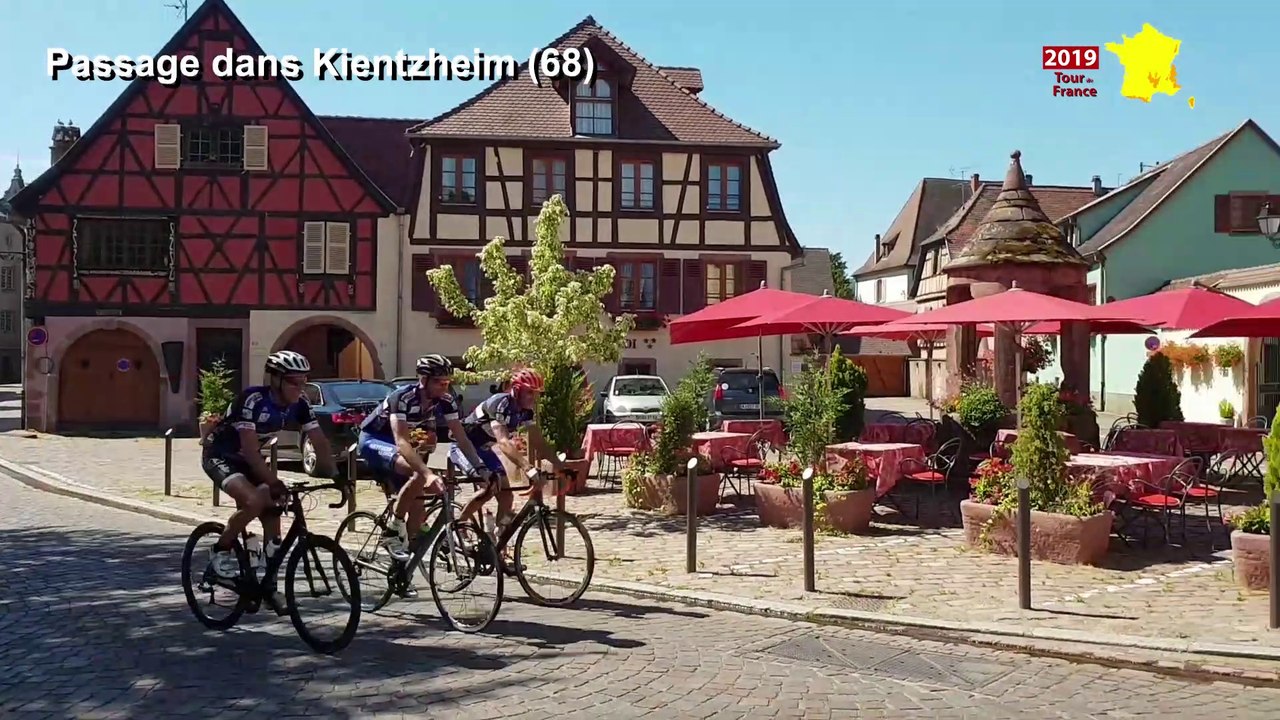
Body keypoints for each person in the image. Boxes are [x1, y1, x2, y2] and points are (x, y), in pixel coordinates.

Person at [202, 350, 336, 580]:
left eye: (303, 381)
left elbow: (320, 441)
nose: (300, 387)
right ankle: (219, 551)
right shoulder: (252, 400)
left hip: (250, 460)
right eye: (294, 381)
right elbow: (251, 452)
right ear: (275, 380)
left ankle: (268, 581)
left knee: (273, 512)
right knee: (254, 500)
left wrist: (337, 475)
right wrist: (273, 481)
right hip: (221, 456)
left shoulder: (301, 404)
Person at [357, 355, 488, 574]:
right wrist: (427, 474)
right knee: (419, 474)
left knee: (418, 513)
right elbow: (401, 441)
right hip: (375, 440)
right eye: (439, 382)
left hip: (402, 446)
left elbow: (461, 438)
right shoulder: (403, 397)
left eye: (447, 383)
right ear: (424, 380)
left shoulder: (446, 401)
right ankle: (392, 530)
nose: (444, 387)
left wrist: (479, 468)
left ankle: (400, 570)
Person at [452, 368, 565, 555]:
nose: (533, 398)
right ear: (517, 389)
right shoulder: (500, 403)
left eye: (536, 394)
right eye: (529, 392)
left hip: (485, 449)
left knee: (506, 495)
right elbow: (503, 442)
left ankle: (497, 540)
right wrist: (528, 468)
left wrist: (559, 464)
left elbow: (537, 440)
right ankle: (459, 526)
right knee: (490, 487)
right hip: (464, 447)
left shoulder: (526, 411)